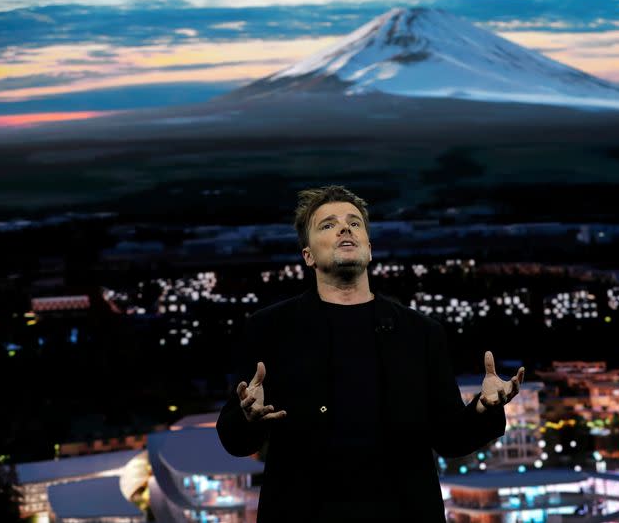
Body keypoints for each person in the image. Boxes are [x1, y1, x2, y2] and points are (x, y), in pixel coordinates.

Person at [216, 185, 524, 523]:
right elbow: (234, 439)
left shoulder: (421, 332)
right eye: (328, 225)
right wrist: (247, 418)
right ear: (308, 256)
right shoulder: (269, 329)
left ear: (369, 249)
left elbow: (450, 437)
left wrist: (484, 407)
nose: (345, 228)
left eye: (354, 223)